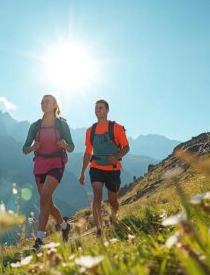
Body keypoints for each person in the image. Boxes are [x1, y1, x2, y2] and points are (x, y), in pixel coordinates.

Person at [23, 94, 75, 250]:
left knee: (44, 197)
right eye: (42, 102)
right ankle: (65, 226)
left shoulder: (61, 125)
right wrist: (33, 147)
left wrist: (63, 144)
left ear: (54, 105)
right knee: (48, 204)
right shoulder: (35, 126)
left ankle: (38, 241)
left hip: (56, 163)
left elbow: (71, 146)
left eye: (47, 101)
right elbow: (24, 149)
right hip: (39, 166)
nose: (43, 104)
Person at [79, 99, 130, 237]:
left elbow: (126, 147)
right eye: (96, 108)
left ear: (107, 110)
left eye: (101, 107)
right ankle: (99, 229)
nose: (98, 110)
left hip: (113, 168)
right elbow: (88, 152)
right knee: (97, 193)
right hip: (96, 167)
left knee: (113, 201)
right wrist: (82, 172)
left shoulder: (116, 128)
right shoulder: (90, 130)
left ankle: (112, 216)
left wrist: (117, 157)